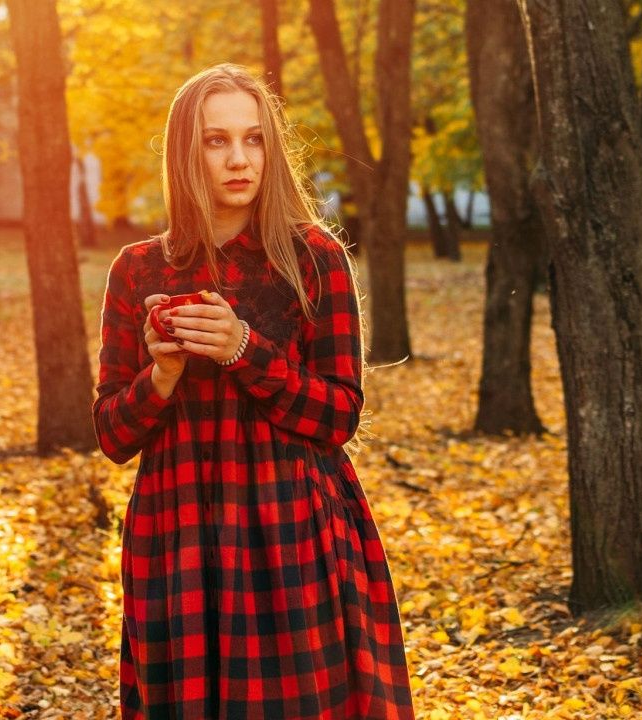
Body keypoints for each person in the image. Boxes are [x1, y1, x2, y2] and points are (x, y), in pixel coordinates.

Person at [93, 63, 415, 719]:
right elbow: (112, 435)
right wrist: (161, 376)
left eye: (254, 139)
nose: (239, 159)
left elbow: (340, 415)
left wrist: (244, 349)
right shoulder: (139, 269)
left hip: (289, 529)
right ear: (185, 152)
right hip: (177, 533)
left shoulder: (314, 257)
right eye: (216, 141)